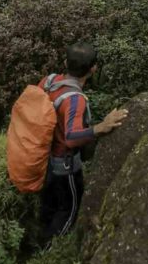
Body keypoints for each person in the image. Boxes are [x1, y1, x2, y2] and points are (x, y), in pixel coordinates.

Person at [38, 40, 127, 246]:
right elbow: (71, 138)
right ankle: (51, 251)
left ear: (65, 62)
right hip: (65, 167)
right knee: (69, 210)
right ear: (93, 69)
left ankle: (39, 240)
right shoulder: (75, 99)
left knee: (50, 204)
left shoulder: (49, 81)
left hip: (46, 158)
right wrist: (101, 127)